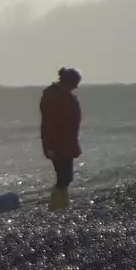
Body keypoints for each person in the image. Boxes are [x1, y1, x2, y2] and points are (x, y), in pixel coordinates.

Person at [40, 66, 83, 211]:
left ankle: (61, 204)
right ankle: (56, 206)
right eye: (76, 83)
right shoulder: (53, 97)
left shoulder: (66, 96)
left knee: (66, 176)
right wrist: (49, 146)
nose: (77, 86)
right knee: (63, 176)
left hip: (67, 142)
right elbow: (48, 124)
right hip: (57, 144)